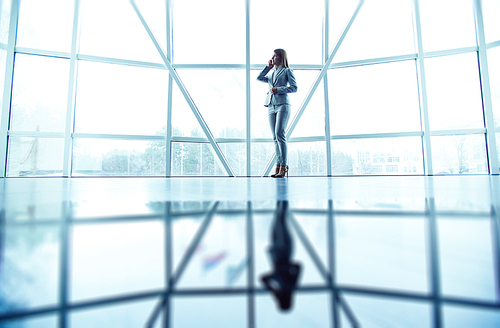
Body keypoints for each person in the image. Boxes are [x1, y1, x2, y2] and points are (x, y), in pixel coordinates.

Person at [257, 49, 297, 178]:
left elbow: (294, 87)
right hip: (271, 106)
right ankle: (278, 166)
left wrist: (278, 89)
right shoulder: (272, 73)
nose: (272, 58)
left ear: (280, 57)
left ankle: (284, 167)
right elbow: (259, 78)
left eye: (274, 56)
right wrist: (267, 68)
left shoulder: (287, 71)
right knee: (275, 137)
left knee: (280, 134)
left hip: (283, 105)